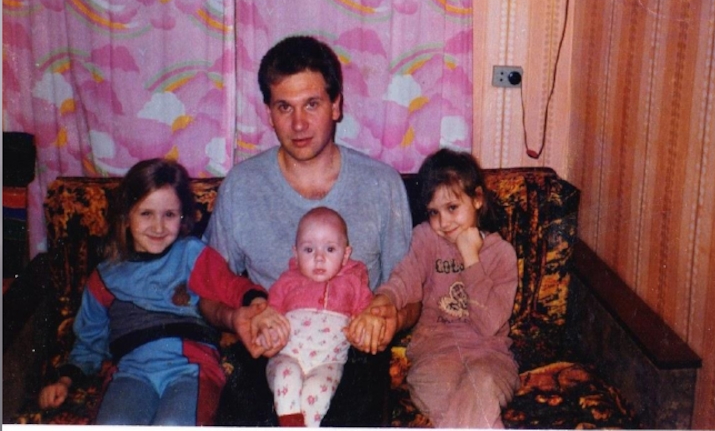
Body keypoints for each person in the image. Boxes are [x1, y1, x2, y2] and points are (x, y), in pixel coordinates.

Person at [201, 35, 419, 426]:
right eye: (284, 107)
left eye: (312, 104)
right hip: (273, 343)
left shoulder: (382, 184)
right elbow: (206, 292)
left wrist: (391, 319)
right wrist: (237, 319)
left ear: (336, 106)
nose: (298, 124)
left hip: (352, 348)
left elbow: (412, 293)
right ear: (269, 112)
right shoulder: (241, 186)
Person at [37, 158, 268, 425]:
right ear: (126, 217)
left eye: (169, 215)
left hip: (191, 367)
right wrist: (65, 380)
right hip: (130, 371)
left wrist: (256, 301)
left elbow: (229, 285)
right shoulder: (104, 277)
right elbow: (89, 342)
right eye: (146, 214)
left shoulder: (191, 254)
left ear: (182, 218)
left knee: (173, 424)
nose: (158, 227)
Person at [349, 148, 519, 428]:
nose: (444, 222)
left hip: (490, 358)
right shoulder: (425, 239)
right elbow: (405, 278)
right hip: (434, 358)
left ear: (477, 198)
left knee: (481, 385)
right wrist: (384, 300)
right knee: (469, 409)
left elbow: (489, 325)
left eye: (452, 208)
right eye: (434, 212)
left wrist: (471, 259)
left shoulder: (501, 254)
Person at [261, 207, 380, 427]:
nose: (319, 258)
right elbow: (270, 314)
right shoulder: (287, 281)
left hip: (328, 362)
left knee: (317, 392)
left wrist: (362, 331)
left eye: (330, 249)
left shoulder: (354, 283)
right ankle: (289, 423)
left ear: (346, 254)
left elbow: (366, 315)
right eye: (308, 249)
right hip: (287, 355)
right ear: (296, 253)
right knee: (287, 375)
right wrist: (268, 332)